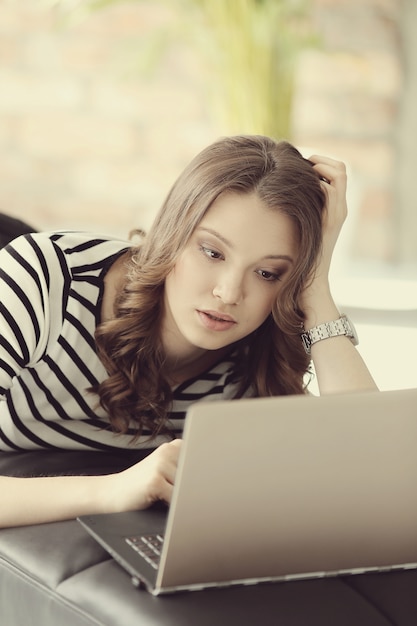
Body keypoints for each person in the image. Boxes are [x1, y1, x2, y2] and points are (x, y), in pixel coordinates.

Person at [0, 135, 377, 528]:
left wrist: (316, 286)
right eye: (212, 252)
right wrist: (110, 490)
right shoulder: (44, 279)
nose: (229, 293)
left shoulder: (257, 355)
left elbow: (372, 470)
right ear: (172, 233)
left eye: (268, 273)